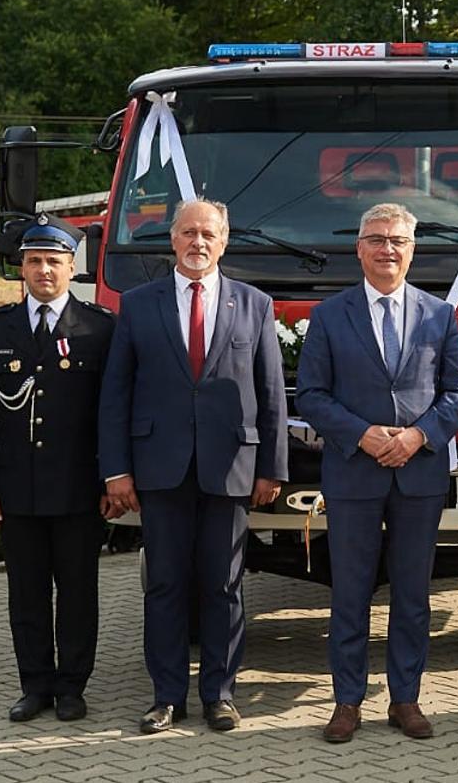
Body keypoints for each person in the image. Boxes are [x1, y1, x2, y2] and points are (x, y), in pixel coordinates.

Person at [98, 198, 288, 734]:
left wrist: (271, 468)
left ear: (224, 240)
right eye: (188, 233)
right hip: (160, 469)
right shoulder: (138, 305)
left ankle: (221, 695)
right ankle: (166, 696)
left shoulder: (255, 305)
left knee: (224, 586)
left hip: (230, 469)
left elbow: (271, 393)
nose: (198, 242)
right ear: (172, 240)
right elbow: (116, 394)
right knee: (164, 585)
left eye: (208, 233)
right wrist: (116, 470)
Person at [295, 203, 458, 743]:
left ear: (412, 249)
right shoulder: (329, 316)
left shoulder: (439, 315)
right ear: (359, 248)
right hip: (354, 472)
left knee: (413, 595)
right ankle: (346, 703)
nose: (387, 249)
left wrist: (419, 436)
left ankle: (405, 699)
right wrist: (362, 434)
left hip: (418, 474)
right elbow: (311, 395)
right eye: (376, 239)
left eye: (397, 240)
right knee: (349, 593)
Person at [0, 215, 116, 724]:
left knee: (77, 594)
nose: (44, 270)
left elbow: (111, 415)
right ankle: (35, 685)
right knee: (25, 594)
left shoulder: (98, 327)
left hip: (78, 489)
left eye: (54, 261)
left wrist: (113, 479)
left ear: (73, 267)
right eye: (34, 261)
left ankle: (72, 686)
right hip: (16, 488)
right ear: (21, 268)